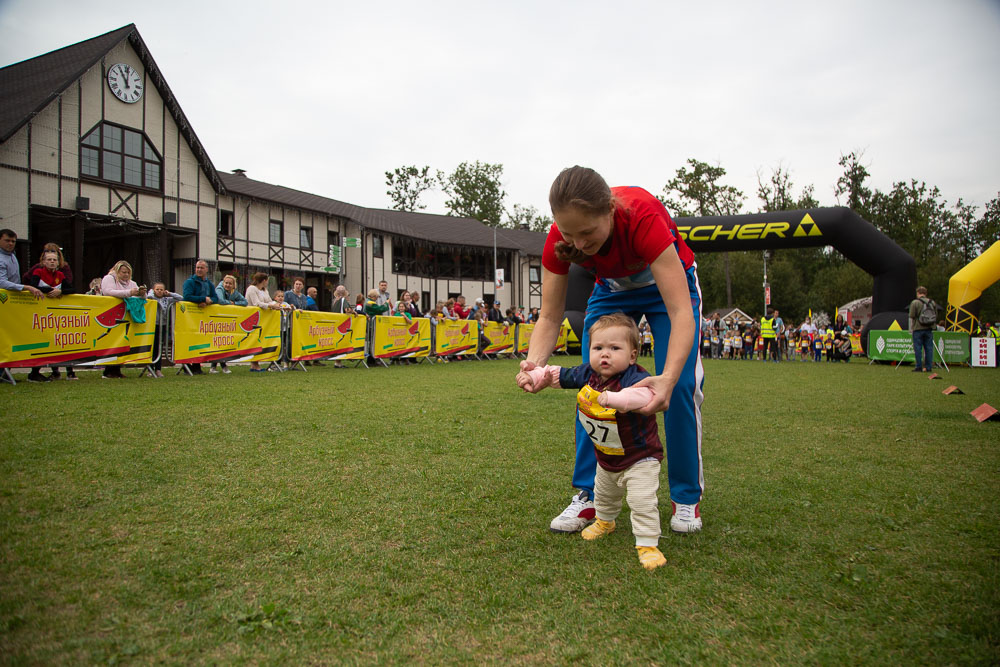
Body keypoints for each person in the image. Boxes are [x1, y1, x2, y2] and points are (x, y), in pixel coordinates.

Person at [516, 166, 703, 535]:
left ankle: (685, 498)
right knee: (593, 385)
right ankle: (589, 496)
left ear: (610, 212)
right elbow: (550, 315)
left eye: (587, 233)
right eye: (570, 234)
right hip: (612, 291)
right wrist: (535, 365)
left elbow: (681, 311)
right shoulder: (560, 237)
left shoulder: (642, 217)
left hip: (668, 289)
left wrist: (665, 379)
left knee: (678, 387)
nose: (579, 244)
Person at [519, 314, 668, 570]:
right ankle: (605, 521)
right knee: (604, 495)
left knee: (642, 501)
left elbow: (645, 396)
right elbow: (560, 375)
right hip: (607, 455)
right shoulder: (589, 373)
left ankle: (647, 543)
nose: (605, 355)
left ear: (632, 356)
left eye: (614, 348)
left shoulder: (634, 377)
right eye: (598, 348)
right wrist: (537, 376)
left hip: (640, 457)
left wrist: (615, 399)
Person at [24, 248, 75, 381]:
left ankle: (69, 372)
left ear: (58, 262)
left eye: (54, 260)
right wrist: (50, 290)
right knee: (41, 341)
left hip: (56, 315)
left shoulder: (60, 275)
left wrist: (61, 291)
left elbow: (71, 289)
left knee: (60, 341)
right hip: (40, 313)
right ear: (43, 261)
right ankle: (34, 372)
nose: (52, 262)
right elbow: (33, 286)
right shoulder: (38, 272)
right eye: (49, 260)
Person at [100, 260, 144, 379]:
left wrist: (141, 293)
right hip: (111, 314)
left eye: (128, 273)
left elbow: (138, 296)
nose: (125, 275)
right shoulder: (109, 279)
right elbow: (108, 292)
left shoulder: (132, 283)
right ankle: (108, 370)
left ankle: (117, 369)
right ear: (117, 271)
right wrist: (129, 292)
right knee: (112, 341)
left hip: (126, 316)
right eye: (123, 272)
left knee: (123, 341)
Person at [245, 272, 283, 372]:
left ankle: (255, 363)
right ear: (264, 280)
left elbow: (269, 300)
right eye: (267, 281)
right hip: (252, 317)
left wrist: (279, 305)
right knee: (254, 339)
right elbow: (256, 303)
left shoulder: (264, 290)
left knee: (260, 340)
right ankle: (254, 364)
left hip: (263, 319)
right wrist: (271, 306)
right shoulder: (252, 289)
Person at [182, 260, 214, 375]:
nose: (199, 270)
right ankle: (186, 365)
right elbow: (187, 296)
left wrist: (208, 302)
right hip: (189, 316)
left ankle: (197, 366)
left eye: (201, 268)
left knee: (199, 341)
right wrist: (202, 299)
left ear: (206, 269)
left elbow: (215, 297)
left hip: (202, 318)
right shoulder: (189, 282)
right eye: (197, 267)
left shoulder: (209, 284)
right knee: (189, 340)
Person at [210, 275, 248, 373]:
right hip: (216, 319)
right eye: (226, 283)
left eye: (230, 283)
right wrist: (230, 303)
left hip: (226, 321)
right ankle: (221, 366)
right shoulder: (219, 289)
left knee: (222, 343)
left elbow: (244, 302)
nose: (227, 285)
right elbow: (220, 300)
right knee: (218, 343)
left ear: (233, 285)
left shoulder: (233, 292)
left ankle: (216, 366)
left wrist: (234, 303)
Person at [147, 282, 182, 377]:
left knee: (159, 347)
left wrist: (170, 293)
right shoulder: (151, 297)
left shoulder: (167, 299)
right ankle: (150, 369)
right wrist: (151, 291)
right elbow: (149, 297)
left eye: (161, 289)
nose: (159, 291)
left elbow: (180, 298)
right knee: (152, 347)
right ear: (154, 290)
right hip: (153, 325)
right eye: (157, 289)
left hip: (163, 325)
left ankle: (158, 369)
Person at [0, 229, 44, 300]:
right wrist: (26, 287)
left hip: (12, 298)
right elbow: (1, 282)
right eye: (7, 240)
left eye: (13, 241)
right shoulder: (1, 259)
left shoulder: (12, 254)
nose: (11, 243)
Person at [908, 286, 938, 372]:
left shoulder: (915, 303)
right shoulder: (932, 303)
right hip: (929, 328)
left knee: (918, 348)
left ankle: (918, 366)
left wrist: (911, 328)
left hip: (918, 328)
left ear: (918, 293)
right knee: (929, 348)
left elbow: (912, 316)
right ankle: (928, 367)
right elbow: (935, 315)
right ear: (926, 293)